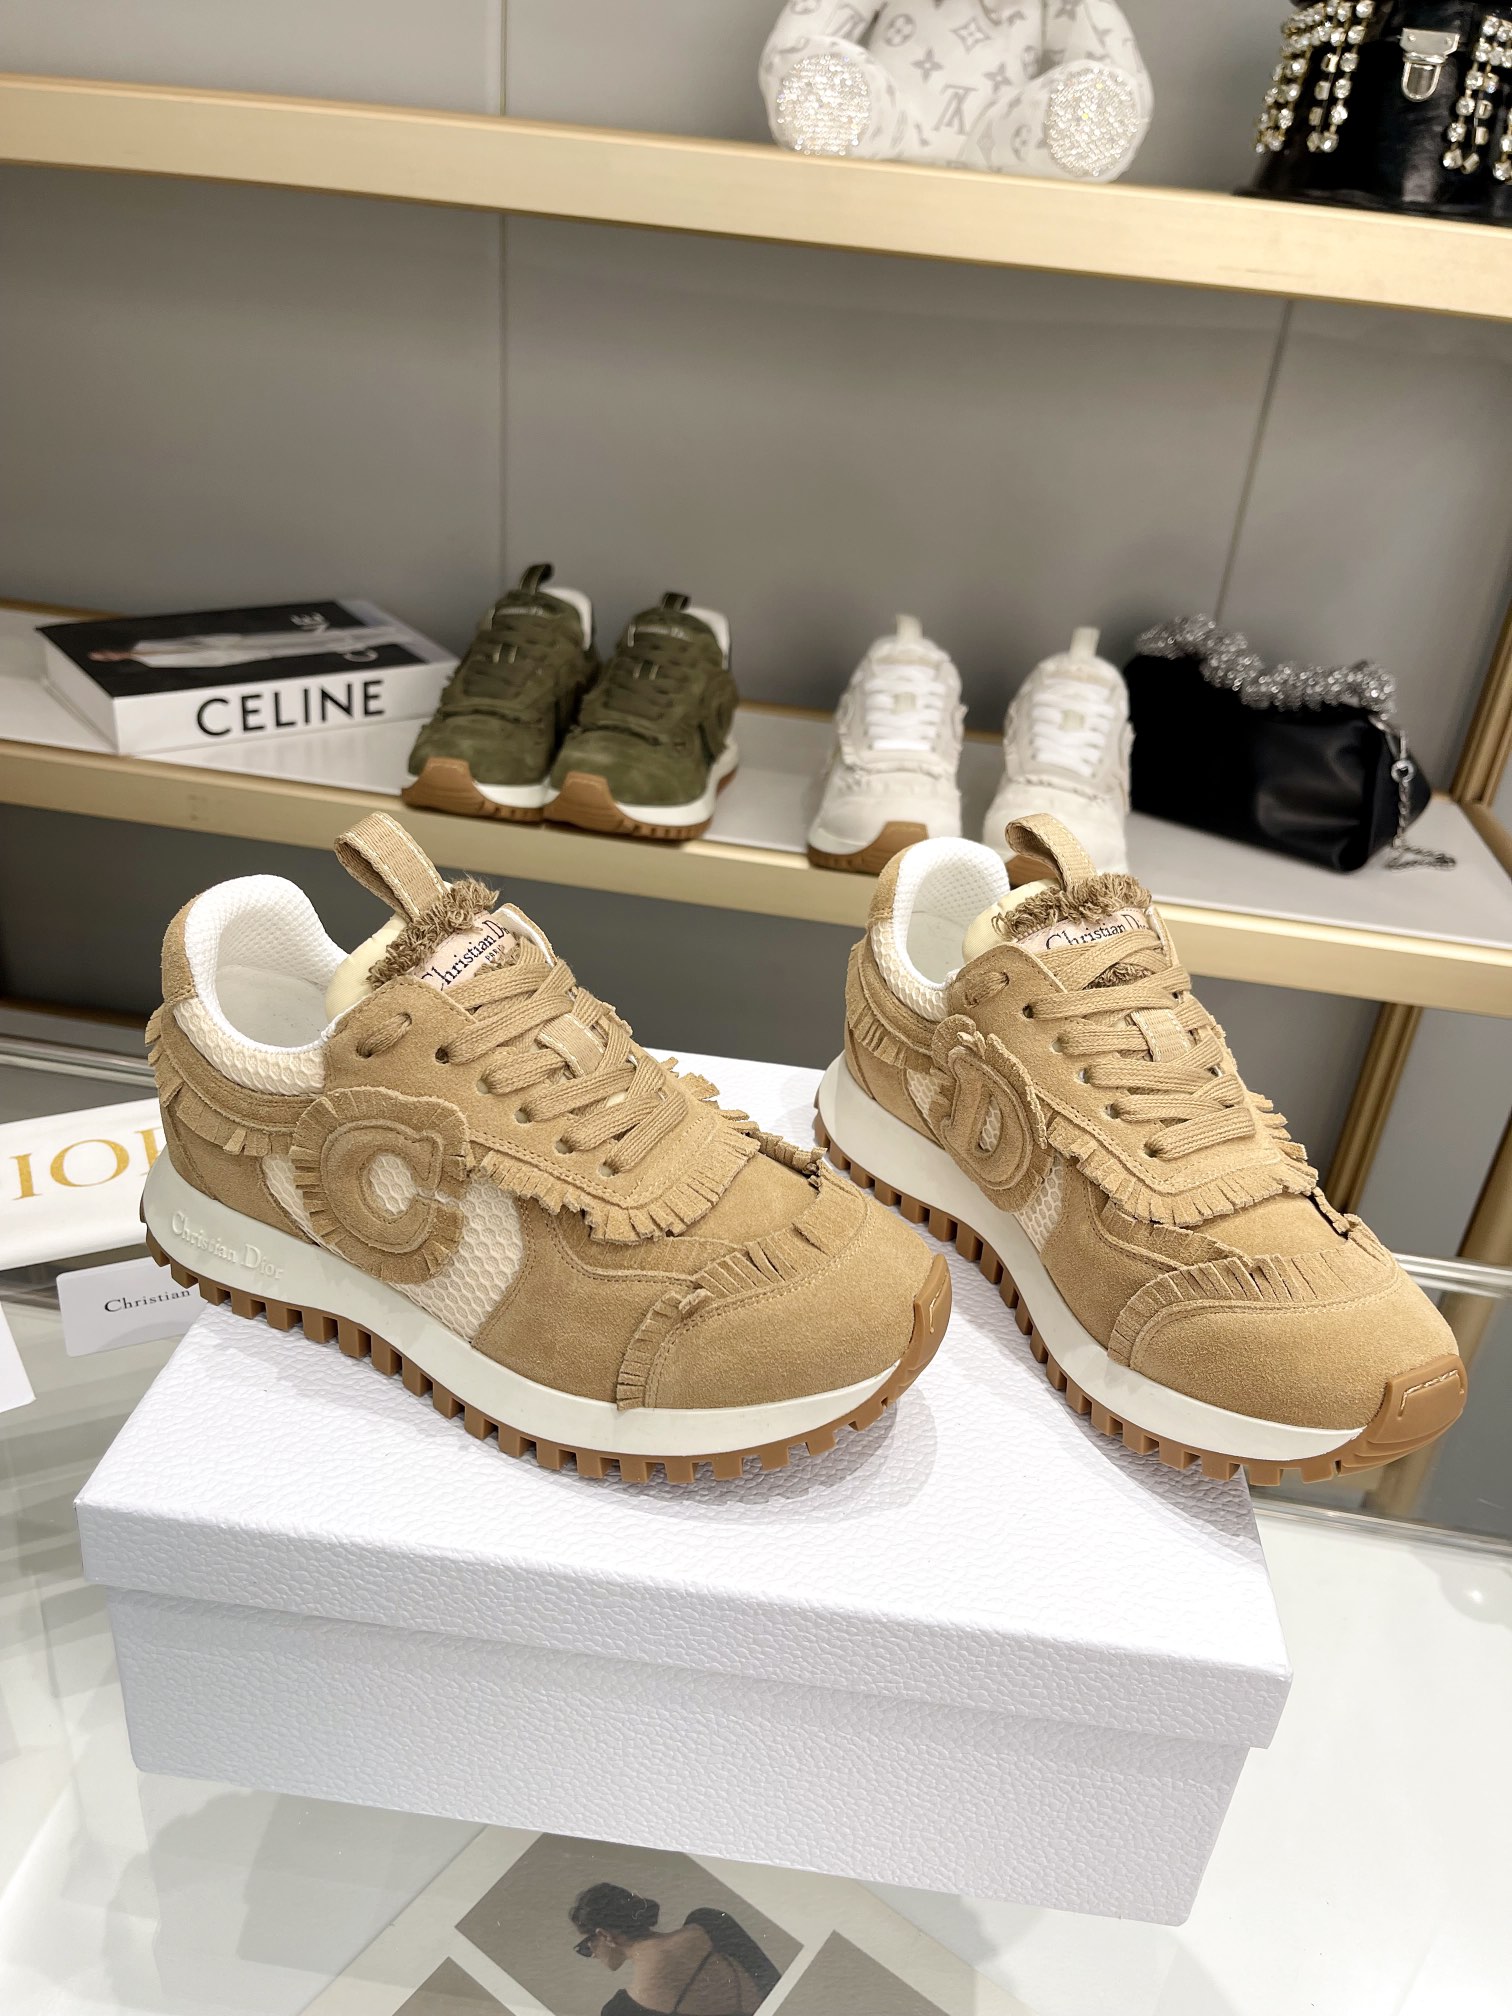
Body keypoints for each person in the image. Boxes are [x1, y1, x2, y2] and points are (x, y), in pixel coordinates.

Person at [569, 1883, 779, 2016]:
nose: (592, 1954)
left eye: (585, 1947)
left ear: (604, 1935)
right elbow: (772, 1980)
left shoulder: (619, 2011)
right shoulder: (709, 1921)